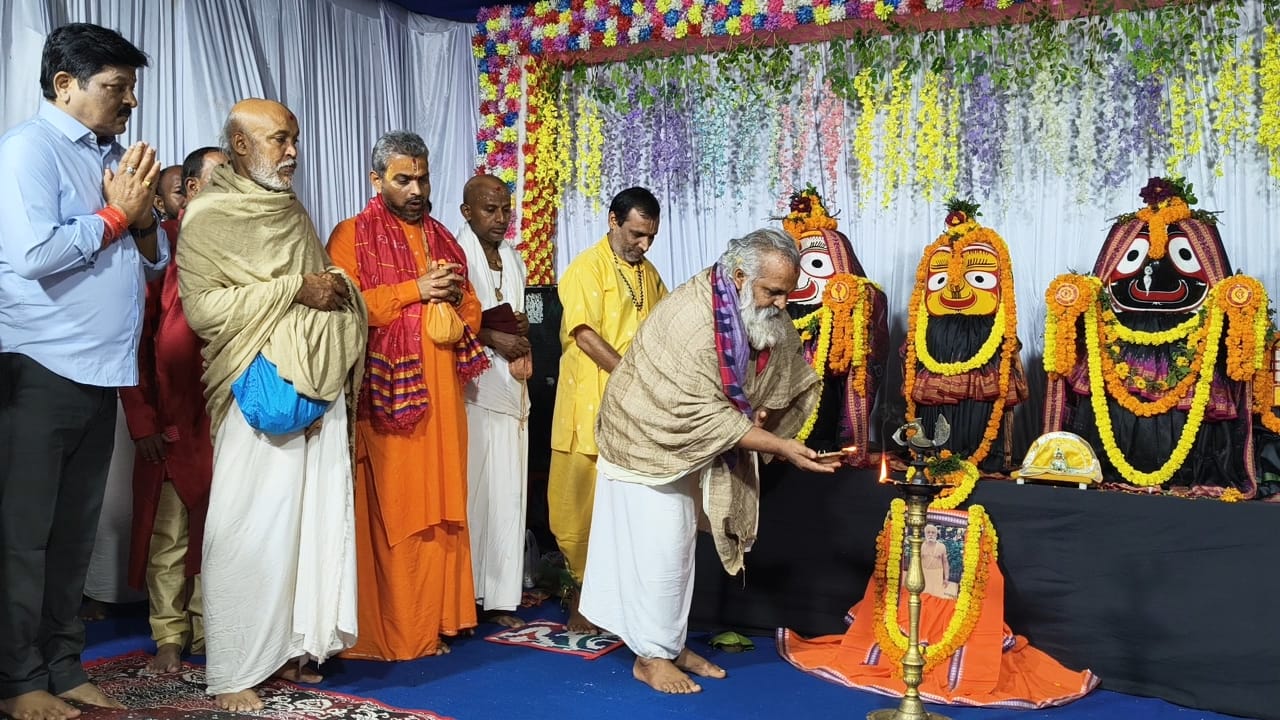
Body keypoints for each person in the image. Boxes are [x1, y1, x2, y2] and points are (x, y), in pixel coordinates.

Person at [578, 228, 835, 694]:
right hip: (644, 438)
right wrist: (779, 446)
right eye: (773, 292)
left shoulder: (749, 306)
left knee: (677, 550)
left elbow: (783, 364)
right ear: (739, 277)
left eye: (787, 293)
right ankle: (650, 658)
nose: (782, 304)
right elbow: (702, 411)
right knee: (660, 548)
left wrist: (765, 407)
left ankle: (669, 645)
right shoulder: (692, 319)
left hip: (686, 447)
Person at [0, 22, 168, 720]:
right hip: (39, 367)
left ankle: (64, 667)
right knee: (23, 537)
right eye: (116, 87)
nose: (130, 101)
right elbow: (35, 254)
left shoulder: (116, 156)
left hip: (101, 370)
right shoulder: (27, 151)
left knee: (74, 535)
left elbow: (152, 261)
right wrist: (118, 213)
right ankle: (17, 682)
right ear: (65, 85)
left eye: (131, 88)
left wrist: (143, 221)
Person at [177, 98, 367, 712]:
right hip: (254, 387)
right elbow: (203, 311)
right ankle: (233, 668)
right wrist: (295, 289)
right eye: (278, 140)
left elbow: (324, 284)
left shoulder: (290, 209)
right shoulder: (208, 216)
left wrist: (333, 288)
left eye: (294, 140)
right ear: (239, 145)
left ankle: (287, 648)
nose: (291, 152)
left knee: (305, 524)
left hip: (312, 386)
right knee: (246, 527)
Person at [327, 131, 490, 660]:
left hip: (444, 404)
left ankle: (437, 622)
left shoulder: (443, 239)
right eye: (403, 180)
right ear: (376, 180)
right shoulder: (351, 235)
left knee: (443, 510)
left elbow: (471, 315)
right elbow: (346, 307)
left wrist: (454, 297)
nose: (417, 190)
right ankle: (394, 635)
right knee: (399, 510)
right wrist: (414, 291)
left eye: (423, 178)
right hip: (389, 406)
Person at [118, 145, 226, 674]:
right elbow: (133, 342)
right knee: (170, 537)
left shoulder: (242, 245)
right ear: (191, 191)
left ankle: (212, 633)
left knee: (222, 536)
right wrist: (143, 422)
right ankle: (168, 637)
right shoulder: (159, 249)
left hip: (230, 420)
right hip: (173, 423)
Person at [549, 186, 667, 632]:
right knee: (576, 509)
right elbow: (584, 335)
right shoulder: (587, 267)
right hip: (588, 406)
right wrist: (632, 376)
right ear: (613, 221)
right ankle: (578, 596)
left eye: (651, 236)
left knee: (622, 509)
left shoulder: (649, 274)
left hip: (632, 414)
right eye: (637, 234)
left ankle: (617, 598)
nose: (644, 245)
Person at [456, 174, 530, 629]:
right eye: (490, 209)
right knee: (475, 490)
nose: (501, 218)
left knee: (508, 491)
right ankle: (466, 596)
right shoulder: (455, 254)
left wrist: (519, 331)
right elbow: (445, 318)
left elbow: (520, 315)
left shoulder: (513, 257)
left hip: (510, 384)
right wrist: (490, 335)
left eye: (506, 209)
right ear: (467, 212)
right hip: (473, 387)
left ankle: (500, 596)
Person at [920, 524, 952, 599]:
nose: (930, 534)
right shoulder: (920, 546)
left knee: (937, 597)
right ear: (925, 534)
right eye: (928, 532)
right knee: (923, 597)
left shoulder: (942, 546)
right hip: (924, 574)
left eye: (933, 532)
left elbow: (945, 563)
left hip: (937, 575)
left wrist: (946, 578)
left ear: (936, 534)